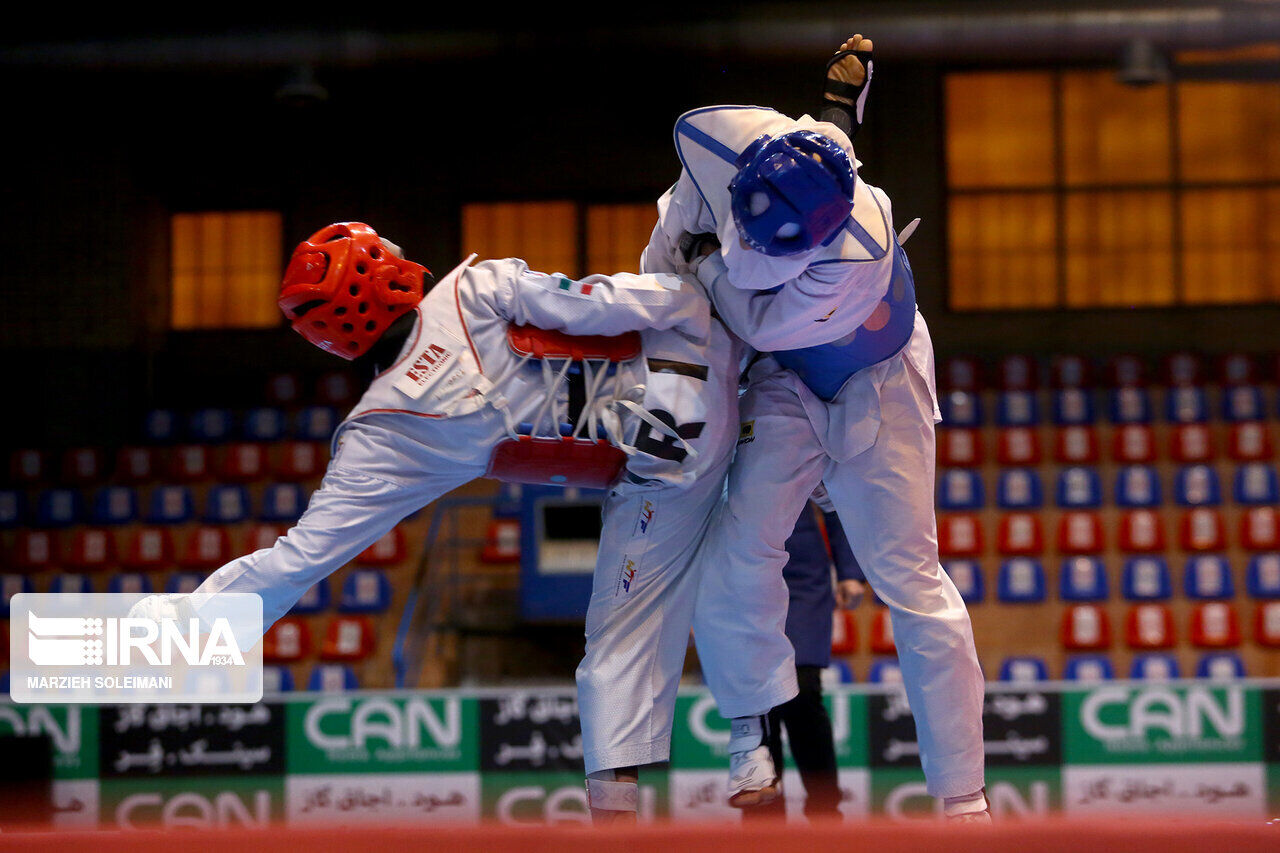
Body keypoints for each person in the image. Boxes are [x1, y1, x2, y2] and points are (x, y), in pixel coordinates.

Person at [133, 221, 791, 824]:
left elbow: (294, 563)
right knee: (736, 578)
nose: (396, 252)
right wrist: (700, 290)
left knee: (620, 643)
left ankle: (626, 812)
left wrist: (155, 650)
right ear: (376, 276)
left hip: (668, 472)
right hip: (709, 363)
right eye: (383, 252)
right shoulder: (473, 288)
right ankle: (750, 747)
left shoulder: (380, 432)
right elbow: (607, 302)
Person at [642, 36, 990, 820]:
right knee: (735, 554)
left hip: (876, 377)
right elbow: (832, 124)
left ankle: (964, 800)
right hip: (782, 383)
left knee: (912, 579)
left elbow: (753, 312)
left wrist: (709, 268)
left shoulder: (860, 244)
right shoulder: (712, 149)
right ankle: (748, 736)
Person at [745, 498, 864, 822]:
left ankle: (825, 811)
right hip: (742, 571)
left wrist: (849, 570)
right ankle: (763, 821)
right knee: (756, 699)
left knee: (803, 689)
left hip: (802, 575)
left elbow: (838, 498)